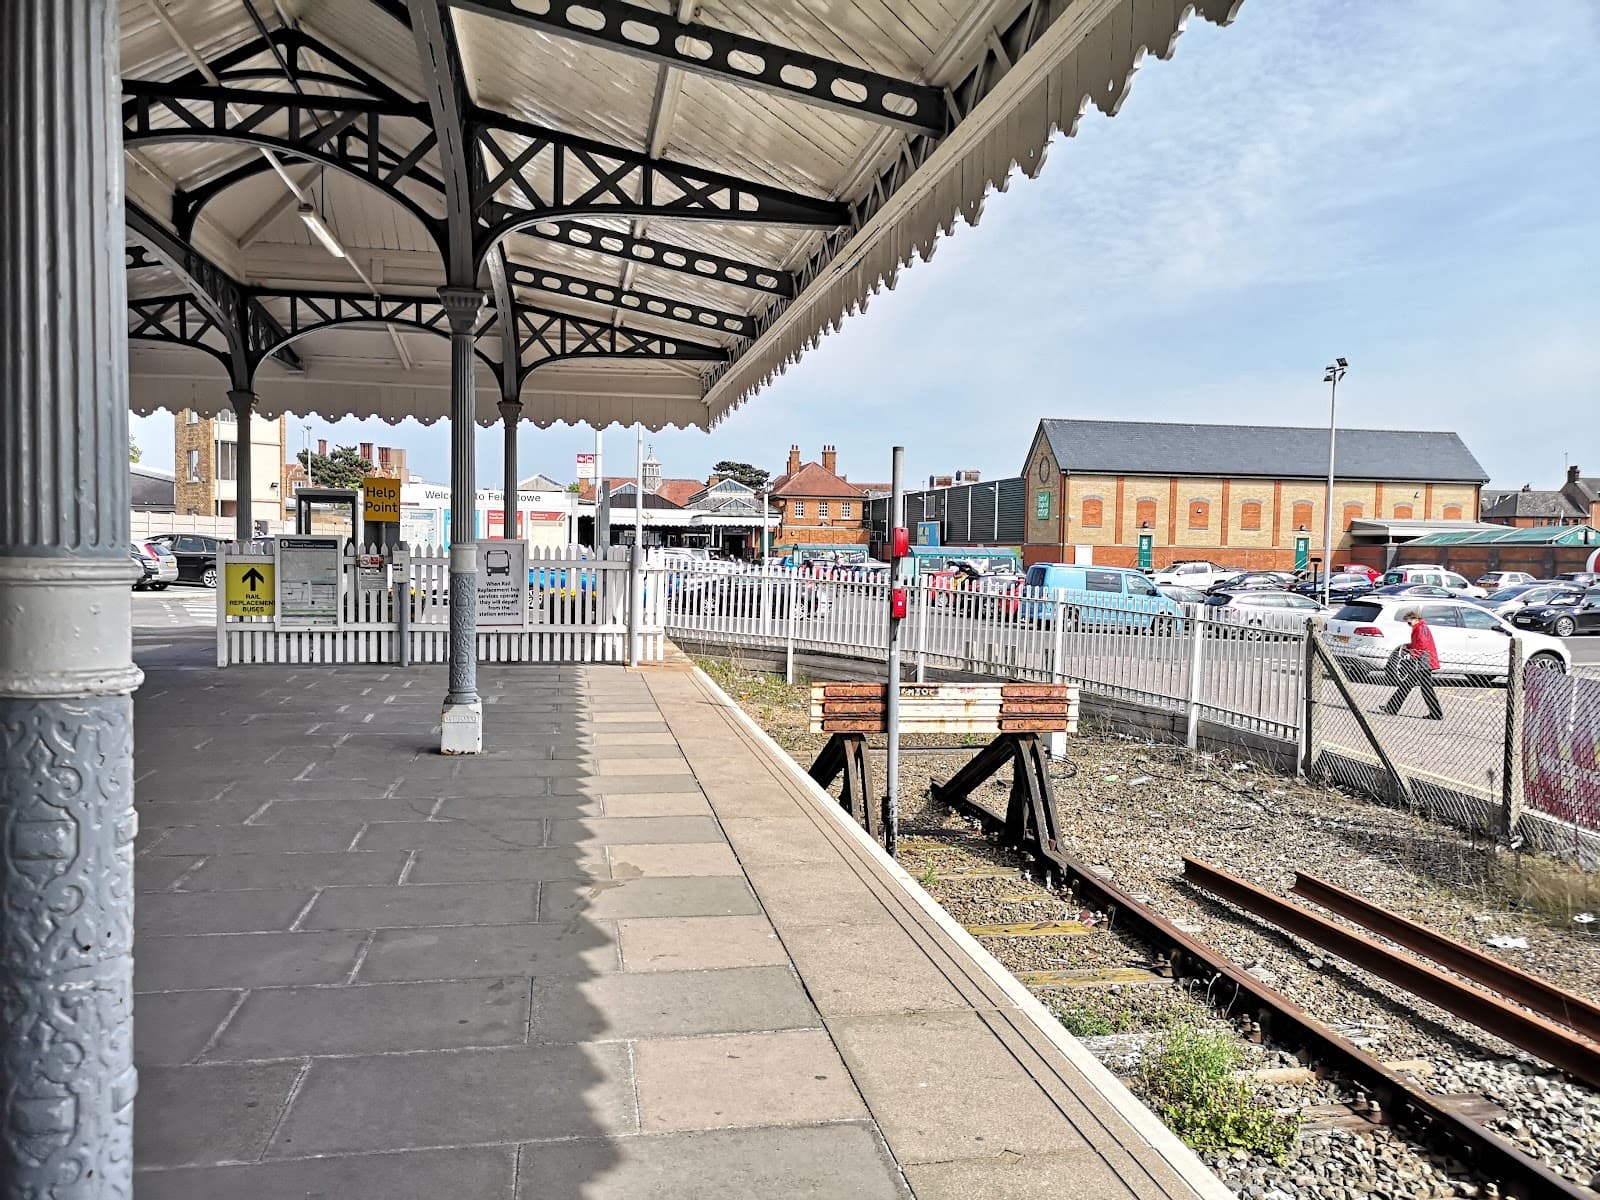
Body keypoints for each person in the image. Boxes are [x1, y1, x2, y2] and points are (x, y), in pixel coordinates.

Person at [1379, 608, 1442, 719]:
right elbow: (1419, 643)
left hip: (1422, 662)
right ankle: (1392, 708)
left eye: (1409, 622)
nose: (1408, 624)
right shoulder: (1421, 627)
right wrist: (1408, 646)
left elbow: (1422, 645)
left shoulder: (1419, 628)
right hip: (1424, 660)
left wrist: (1413, 656)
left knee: (1420, 688)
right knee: (1413, 686)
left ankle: (1436, 713)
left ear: (1415, 619)